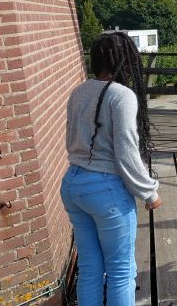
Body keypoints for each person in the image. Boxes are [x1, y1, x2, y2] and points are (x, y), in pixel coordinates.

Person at [61, 31, 161, 306]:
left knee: (91, 269)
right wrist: (149, 192)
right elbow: (126, 152)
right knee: (120, 271)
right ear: (126, 60)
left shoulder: (79, 91)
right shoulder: (122, 95)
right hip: (105, 190)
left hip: (72, 183)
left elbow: (71, 138)